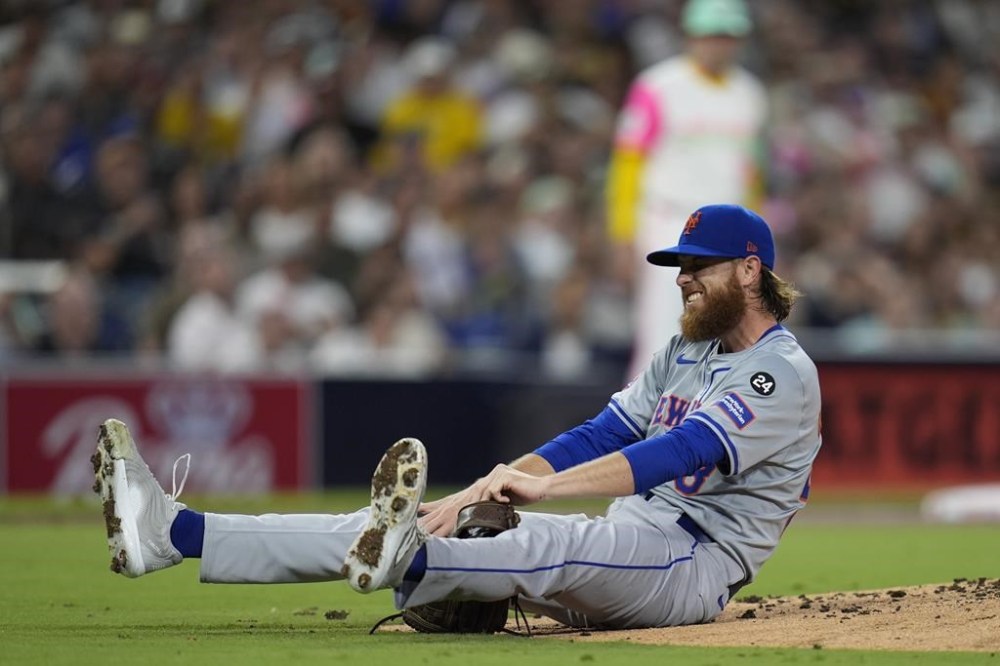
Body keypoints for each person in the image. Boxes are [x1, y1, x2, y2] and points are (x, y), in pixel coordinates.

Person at [93, 204, 820, 629]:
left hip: (691, 565)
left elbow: (684, 451)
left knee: (542, 546)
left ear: (749, 272)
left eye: (699, 264)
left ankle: (420, 565)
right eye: (680, 265)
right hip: (637, 539)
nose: (684, 277)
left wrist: (542, 489)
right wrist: (477, 493)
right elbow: (606, 432)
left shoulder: (778, 371)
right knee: (412, 524)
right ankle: (174, 532)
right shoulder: (684, 349)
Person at [607, 0, 768, 378]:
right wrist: (622, 233)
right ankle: (643, 430)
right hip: (669, 222)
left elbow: (752, 175)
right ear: (690, 36)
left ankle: (702, 430)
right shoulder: (658, 87)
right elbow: (628, 165)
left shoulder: (750, 94)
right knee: (663, 334)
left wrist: (757, 240)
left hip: (727, 234)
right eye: (711, 34)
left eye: (729, 36)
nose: (720, 44)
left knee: (725, 337)